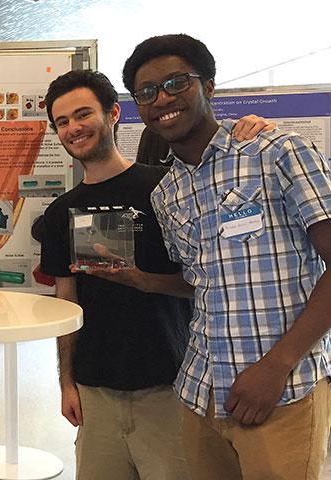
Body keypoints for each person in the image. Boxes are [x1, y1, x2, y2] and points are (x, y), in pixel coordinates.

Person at [122, 33, 331, 480]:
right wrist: (142, 280)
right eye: (147, 92)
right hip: (200, 395)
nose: (162, 99)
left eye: (176, 83)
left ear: (209, 86)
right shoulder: (167, 193)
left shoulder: (278, 153)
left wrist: (276, 366)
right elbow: (201, 280)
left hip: (281, 392)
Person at [41, 69, 193, 479]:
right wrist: (67, 382)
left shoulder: (165, 189)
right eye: (62, 122)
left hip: (168, 386)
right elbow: (67, 301)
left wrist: (142, 280)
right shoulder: (60, 213)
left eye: (82, 114)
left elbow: (204, 281)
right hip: (96, 390)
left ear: (112, 114)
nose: (73, 128)